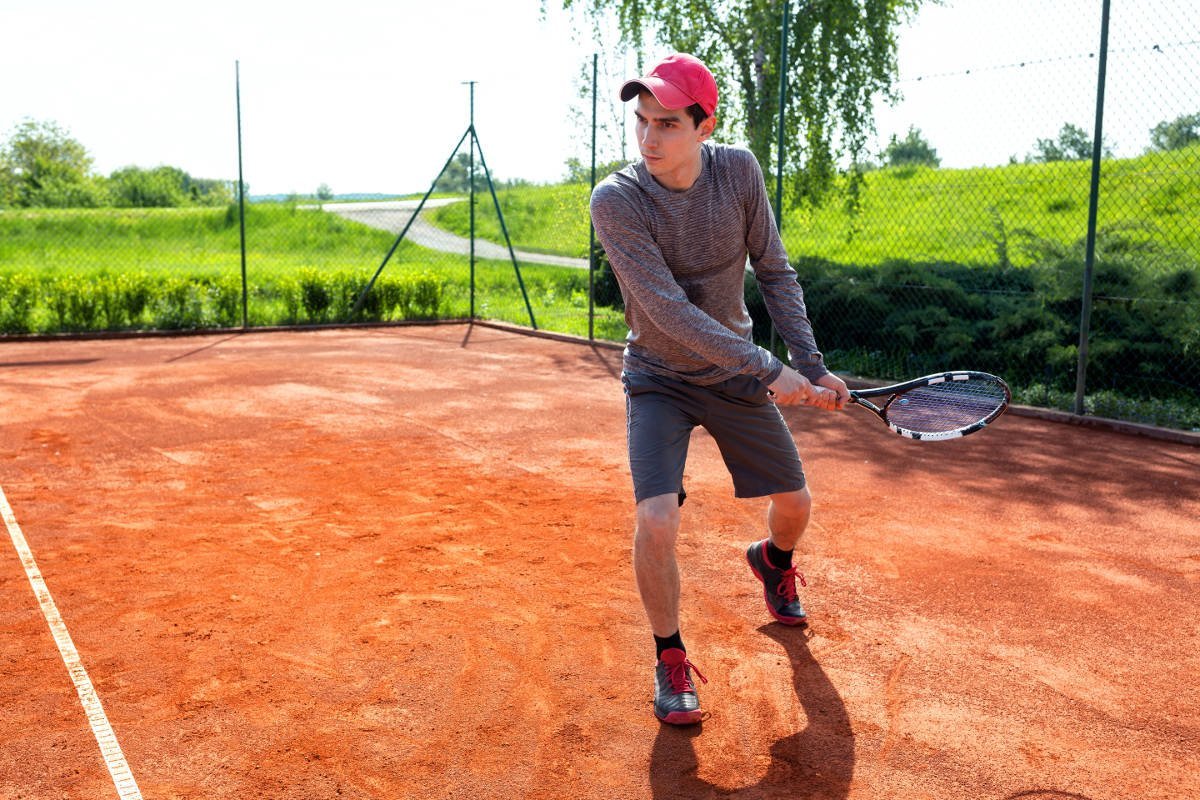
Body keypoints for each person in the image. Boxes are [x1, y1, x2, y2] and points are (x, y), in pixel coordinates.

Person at [589, 53, 850, 725]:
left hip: (732, 378)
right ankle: (670, 657)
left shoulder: (738, 172)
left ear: (705, 127)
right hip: (658, 380)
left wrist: (811, 365)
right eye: (642, 122)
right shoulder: (616, 200)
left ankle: (773, 561)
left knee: (795, 503)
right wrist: (771, 369)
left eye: (668, 124)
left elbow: (775, 269)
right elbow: (669, 312)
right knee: (656, 518)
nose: (649, 139)